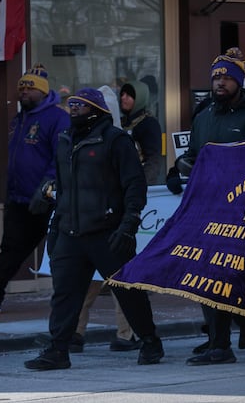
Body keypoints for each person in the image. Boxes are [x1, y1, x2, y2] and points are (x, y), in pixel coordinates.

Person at [24, 89, 165, 370]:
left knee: (128, 291)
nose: (73, 110)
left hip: (108, 232)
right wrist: (53, 223)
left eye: (80, 106)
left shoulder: (116, 140)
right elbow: (62, 187)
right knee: (64, 294)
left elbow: (134, 185)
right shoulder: (64, 141)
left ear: (97, 111)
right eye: (71, 105)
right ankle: (58, 350)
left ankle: (149, 341)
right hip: (70, 231)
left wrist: (129, 224)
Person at [177, 49, 245, 364]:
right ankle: (219, 342)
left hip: (243, 208)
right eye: (216, 77)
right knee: (206, 273)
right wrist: (178, 167)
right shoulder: (204, 115)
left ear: (238, 81)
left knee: (243, 274)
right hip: (207, 205)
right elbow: (195, 153)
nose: (219, 82)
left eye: (226, 77)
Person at [0, 66, 71, 314]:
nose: (23, 92)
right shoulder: (21, 118)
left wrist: (48, 186)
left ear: (42, 92)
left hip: (44, 199)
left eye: (29, 88)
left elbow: (61, 157)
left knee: (57, 249)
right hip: (18, 197)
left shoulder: (57, 118)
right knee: (12, 246)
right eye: (21, 87)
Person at [117, 79, 164, 185]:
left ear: (139, 98)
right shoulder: (120, 122)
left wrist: (142, 186)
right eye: (122, 94)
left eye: (128, 95)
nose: (123, 98)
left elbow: (153, 159)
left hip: (138, 187)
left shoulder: (148, 124)